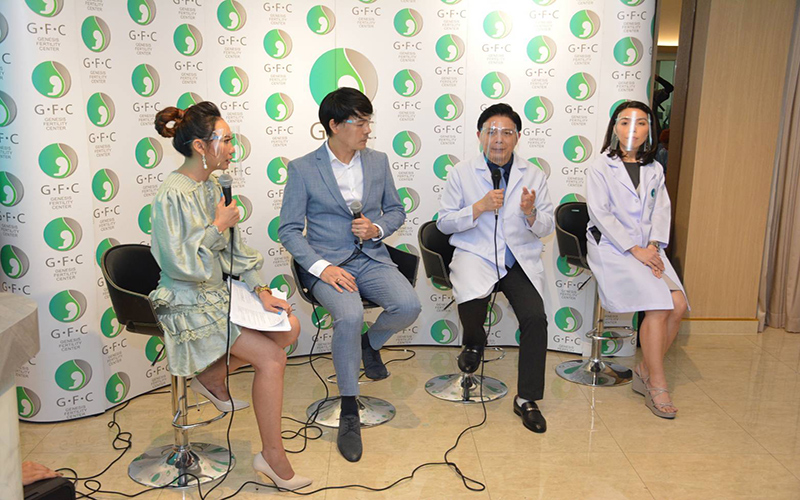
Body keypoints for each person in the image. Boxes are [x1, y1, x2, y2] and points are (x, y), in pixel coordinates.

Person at [151, 102, 311, 490]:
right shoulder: (172, 194)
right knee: (272, 358)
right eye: (225, 140)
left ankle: (211, 375)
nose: (232, 149)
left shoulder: (210, 187)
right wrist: (216, 226)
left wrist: (260, 289)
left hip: (214, 292)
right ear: (200, 147)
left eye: (231, 139)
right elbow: (178, 264)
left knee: (290, 327)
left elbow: (232, 251)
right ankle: (272, 456)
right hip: (185, 298)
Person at [279, 88, 421, 462]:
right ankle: (348, 408)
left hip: (370, 257)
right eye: (359, 122)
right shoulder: (303, 168)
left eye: (368, 121)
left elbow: (397, 210)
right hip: (328, 265)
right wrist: (322, 268)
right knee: (350, 314)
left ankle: (369, 345)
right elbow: (289, 230)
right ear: (334, 125)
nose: (367, 130)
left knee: (408, 305)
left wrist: (377, 228)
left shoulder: (378, 161)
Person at [437, 103, 554, 433]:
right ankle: (474, 342)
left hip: (517, 258)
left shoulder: (534, 175)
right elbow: (444, 223)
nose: (498, 139)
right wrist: (478, 207)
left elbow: (546, 226)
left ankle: (527, 399)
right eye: (491, 132)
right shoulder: (461, 172)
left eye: (506, 132)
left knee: (535, 317)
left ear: (518, 137)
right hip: (476, 252)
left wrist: (531, 213)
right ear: (479, 136)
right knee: (472, 299)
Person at [586, 100, 689, 419]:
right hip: (614, 247)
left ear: (650, 130)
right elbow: (600, 214)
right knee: (658, 305)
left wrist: (653, 246)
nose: (633, 129)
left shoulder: (654, 168)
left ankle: (646, 368)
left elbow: (661, 211)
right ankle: (657, 383)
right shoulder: (600, 166)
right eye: (625, 122)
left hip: (648, 248)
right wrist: (636, 250)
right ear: (615, 128)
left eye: (641, 122)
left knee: (678, 305)